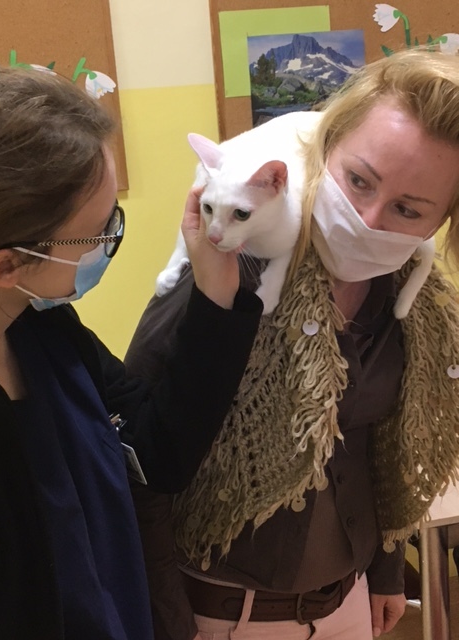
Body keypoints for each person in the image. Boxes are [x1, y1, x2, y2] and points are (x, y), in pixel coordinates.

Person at [125, 48, 459, 640]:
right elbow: (136, 456)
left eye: (408, 209)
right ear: (325, 149)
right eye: (358, 180)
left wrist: (385, 571)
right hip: (221, 617)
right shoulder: (230, 272)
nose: (367, 218)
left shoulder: (411, 299)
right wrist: (167, 620)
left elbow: (382, 446)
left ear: (439, 223)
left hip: (345, 606)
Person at [0, 66, 264, 640]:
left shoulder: (47, 334)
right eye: (98, 235)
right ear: (6, 267)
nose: (110, 243)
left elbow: (159, 452)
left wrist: (214, 289)